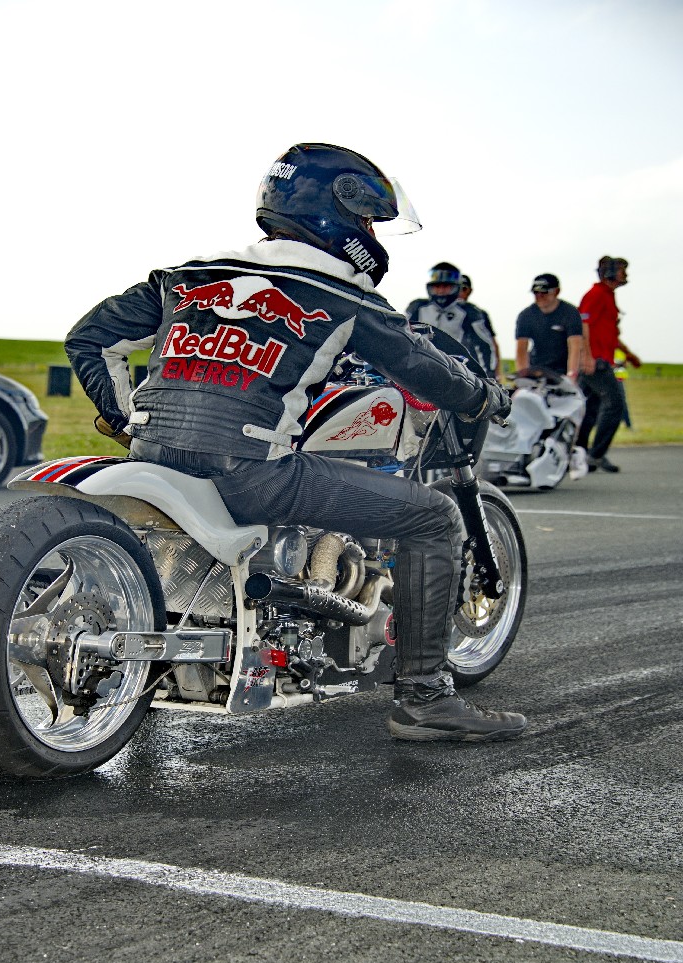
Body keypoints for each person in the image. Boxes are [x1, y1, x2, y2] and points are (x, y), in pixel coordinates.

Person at [65, 142, 526, 743]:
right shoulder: (341, 293)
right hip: (249, 472)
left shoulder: (188, 275)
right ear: (339, 215)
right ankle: (425, 698)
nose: (370, 235)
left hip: (153, 460)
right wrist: (485, 396)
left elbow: (89, 338)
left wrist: (128, 419)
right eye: (368, 221)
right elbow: (427, 370)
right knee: (435, 517)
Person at [576, 257, 641, 473]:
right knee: (615, 404)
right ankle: (595, 455)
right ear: (610, 272)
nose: (625, 274)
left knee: (590, 410)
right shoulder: (596, 295)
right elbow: (582, 324)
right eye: (622, 270)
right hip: (595, 362)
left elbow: (609, 333)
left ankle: (580, 453)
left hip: (601, 360)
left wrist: (629, 354)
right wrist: (586, 357)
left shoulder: (608, 296)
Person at [405, 263, 498, 378]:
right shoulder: (417, 307)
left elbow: (485, 346)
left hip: (455, 372)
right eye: (437, 286)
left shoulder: (469, 311)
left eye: (446, 286)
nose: (441, 291)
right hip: (419, 368)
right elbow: (402, 335)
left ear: (456, 287)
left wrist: (488, 375)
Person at [515, 273, 586, 378]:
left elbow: (575, 346)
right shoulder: (526, 315)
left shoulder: (570, 313)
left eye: (544, 293)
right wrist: (523, 376)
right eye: (536, 293)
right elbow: (521, 349)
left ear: (556, 292)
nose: (540, 297)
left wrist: (572, 375)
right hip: (537, 368)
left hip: (563, 370)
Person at [459, 274, 502, 380]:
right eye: (456, 288)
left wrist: (497, 372)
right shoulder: (435, 312)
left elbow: (492, 344)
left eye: (463, 289)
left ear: (469, 291)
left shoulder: (478, 313)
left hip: (475, 370)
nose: (459, 293)